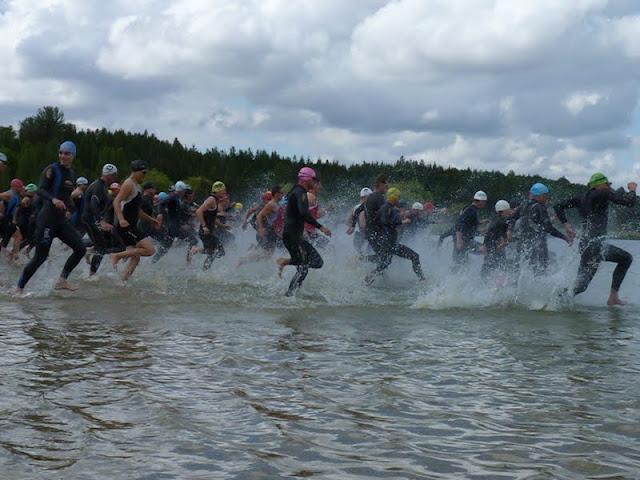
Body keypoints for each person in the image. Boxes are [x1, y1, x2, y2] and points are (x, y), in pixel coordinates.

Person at [554, 173, 637, 305]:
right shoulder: (603, 192)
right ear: (601, 184)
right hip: (596, 245)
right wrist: (632, 190)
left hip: (585, 245)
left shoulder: (581, 197)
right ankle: (613, 297)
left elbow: (558, 206)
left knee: (581, 285)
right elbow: (629, 202)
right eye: (607, 184)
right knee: (626, 258)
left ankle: (556, 299)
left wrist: (566, 225)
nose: (609, 187)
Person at [16, 141, 87, 293]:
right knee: (40, 258)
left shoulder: (71, 173)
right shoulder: (52, 170)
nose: (63, 156)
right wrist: (53, 199)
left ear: (73, 155)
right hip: (47, 220)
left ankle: (62, 280)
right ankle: (19, 288)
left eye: (67, 153)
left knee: (81, 249)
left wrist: (69, 208)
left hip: (60, 221)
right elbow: (41, 190)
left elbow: (66, 196)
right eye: (61, 152)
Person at [276, 167, 332, 296]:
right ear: (307, 179)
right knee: (311, 264)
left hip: (293, 236)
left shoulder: (296, 191)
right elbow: (304, 213)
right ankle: (289, 294)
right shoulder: (300, 192)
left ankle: (290, 291)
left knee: (307, 266)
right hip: (293, 237)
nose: (315, 182)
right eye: (313, 179)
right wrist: (321, 227)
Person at [364, 187, 425, 285]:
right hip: (389, 243)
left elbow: (387, 219)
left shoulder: (389, 208)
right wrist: (402, 221)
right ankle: (422, 280)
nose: (399, 200)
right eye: (398, 197)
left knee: (385, 263)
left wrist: (402, 216)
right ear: (394, 198)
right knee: (414, 256)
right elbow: (385, 222)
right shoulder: (386, 208)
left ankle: (368, 275)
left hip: (390, 243)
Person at [110, 160, 158, 281]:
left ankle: (122, 282)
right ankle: (116, 255)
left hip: (131, 225)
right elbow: (116, 201)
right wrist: (121, 219)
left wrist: (151, 219)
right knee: (150, 250)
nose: (144, 175)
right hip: (125, 226)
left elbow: (138, 211)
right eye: (143, 172)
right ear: (136, 171)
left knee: (135, 258)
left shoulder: (137, 186)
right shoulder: (128, 184)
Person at [509, 183, 572, 275]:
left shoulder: (524, 205)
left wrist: (509, 230)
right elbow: (549, 228)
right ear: (539, 196)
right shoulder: (540, 207)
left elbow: (512, 218)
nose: (546, 198)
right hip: (538, 246)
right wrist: (565, 238)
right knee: (540, 271)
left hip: (523, 244)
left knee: (522, 269)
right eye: (545, 195)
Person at [82, 163, 119, 276]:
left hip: (91, 219)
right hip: (90, 219)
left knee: (103, 244)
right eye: (115, 175)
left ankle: (89, 251)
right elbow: (93, 204)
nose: (115, 178)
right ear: (111, 176)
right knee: (102, 248)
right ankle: (91, 274)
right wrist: (101, 221)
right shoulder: (99, 186)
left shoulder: (100, 185)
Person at [238, 186, 284, 266]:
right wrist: (260, 228)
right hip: (267, 231)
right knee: (266, 254)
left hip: (271, 231)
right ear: (276, 194)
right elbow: (259, 216)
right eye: (281, 193)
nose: (283, 195)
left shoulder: (276, 204)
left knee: (268, 254)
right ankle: (244, 259)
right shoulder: (269, 205)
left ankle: (252, 253)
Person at [192, 181, 227, 270]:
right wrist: (204, 226)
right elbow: (198, 212)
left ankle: (205, 271)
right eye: (223, 190)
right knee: (220, 252)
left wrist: (222, 226)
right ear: (218, 190)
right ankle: (196, 249)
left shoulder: (215, 200)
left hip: (208, 231)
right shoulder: (211, 199)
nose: (224, 192)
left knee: (212, 253)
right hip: (205, 232)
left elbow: (212, 218)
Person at [452, 191, 487, 270]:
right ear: (480, 201)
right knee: (483, 249)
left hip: (466, 239)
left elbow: (470, 224)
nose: (485, 203)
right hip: (463, 240)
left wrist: (482, 224)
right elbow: (458, 223)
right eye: (485, 201)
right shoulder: (471, 210)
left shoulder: (472, 209)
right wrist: (459, 240)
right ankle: (486, 270)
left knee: (463, 264)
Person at [480, 200, 513, 278]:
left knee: (489, 266)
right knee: (501, 266)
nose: (509, 212)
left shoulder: (495, 219)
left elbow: (488, 233)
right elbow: (504, 235)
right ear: (503, 211)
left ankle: (483, 280)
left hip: (491, 246)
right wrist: (504, 243)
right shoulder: (502, 222)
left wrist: (484, 245)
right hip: (496, 247)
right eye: (508, 210)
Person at [0, 178, 25, 253]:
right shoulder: (9, 194)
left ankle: (12, 256)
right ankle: (13, 256)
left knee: (18, 236)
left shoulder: (16, 196)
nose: (21, 188)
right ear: (15, 187)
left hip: (8, 220)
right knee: (18, 236)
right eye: (20, 187)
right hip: (4, 220)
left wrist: (14, 220)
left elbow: (14, 210)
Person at [346, 187, 371, 253]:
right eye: (364, 197)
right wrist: (352, 226)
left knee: (359, 254)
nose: (365, 199)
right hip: (364, 234)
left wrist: (351, 226)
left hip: (360, 234)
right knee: (366, 254)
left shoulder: (356, 207)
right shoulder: (358, 207)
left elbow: (348, 221)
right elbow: (348, 221)